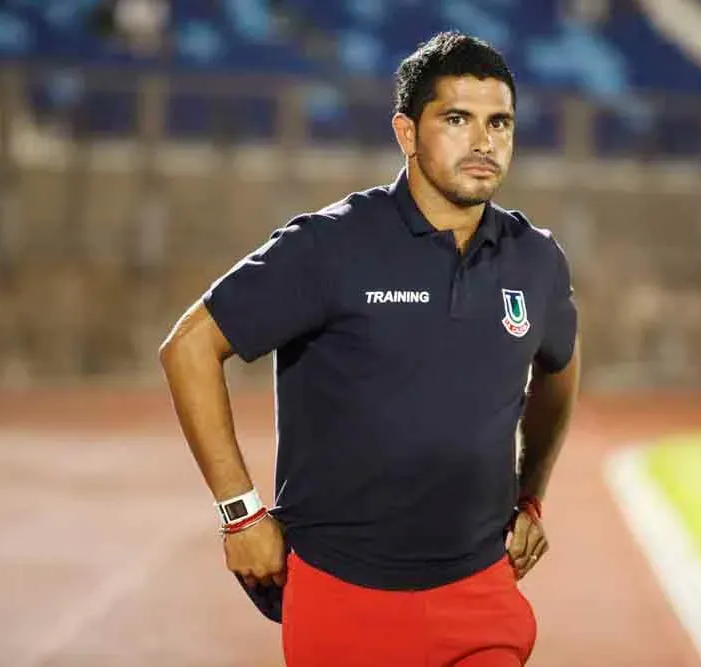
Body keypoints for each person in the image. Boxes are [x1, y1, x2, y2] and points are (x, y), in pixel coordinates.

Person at [159, 31, 580, 667]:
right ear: (407, 133)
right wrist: (242, 516)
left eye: (500, 123)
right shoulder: (329, 246)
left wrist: (531, 495)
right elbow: (188, 347)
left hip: (480, 589)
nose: (484, 141)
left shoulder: (537, 260)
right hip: (342, 590)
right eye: (457, 119)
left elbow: (560, 369)